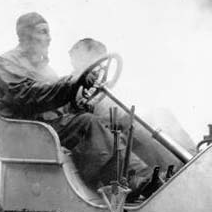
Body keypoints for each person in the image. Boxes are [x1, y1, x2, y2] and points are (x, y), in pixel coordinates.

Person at [0, 13, 160, 198]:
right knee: (87, 123)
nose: (49, 38)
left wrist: (80, 101)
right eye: (43, 32)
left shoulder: (45, 69)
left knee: (123, 122)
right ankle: (133, 181)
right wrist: (73, 83)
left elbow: (57, 101)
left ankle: (163, 174)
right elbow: (28, 96)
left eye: (49, 32)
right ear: (25, 35)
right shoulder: (6, 63)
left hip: (52, 128)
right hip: (32, 133)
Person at [67, 37, 190, 173]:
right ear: (80, 59)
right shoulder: (73, 83)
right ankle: (177, 170)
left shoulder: (100, 81)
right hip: (102, 130)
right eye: (94, 59)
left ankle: (190, 156)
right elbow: (84, 113)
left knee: (161, 115)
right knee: (142, 128)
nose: (100, 68)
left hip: (120, 121)